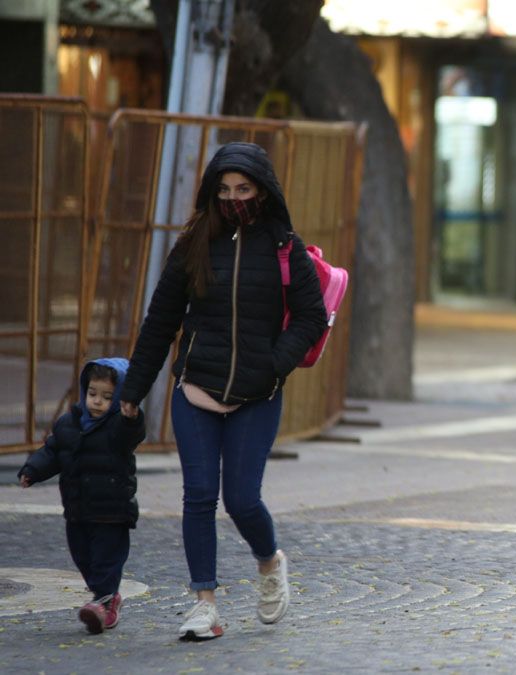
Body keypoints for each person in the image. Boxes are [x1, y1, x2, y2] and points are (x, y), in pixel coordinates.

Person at [120, 142, 327, 640]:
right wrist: (134, 389)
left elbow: (311, 316)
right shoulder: (193, 243)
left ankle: (269, 561)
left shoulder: (284, 245)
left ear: (262, 191)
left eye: (244, 189)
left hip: (257, 395)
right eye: (225, 189)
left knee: (241, 500)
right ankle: (204, 604)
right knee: (198, 496)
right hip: (195, 389)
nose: (234, 198)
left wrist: (271, 367)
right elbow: (160, 321)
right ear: (213, 192)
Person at [19, 358, 145, 634]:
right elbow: (52, 452)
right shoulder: (69, 423)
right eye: (93, 394)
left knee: (105, 559)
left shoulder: (119, 427)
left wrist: (131, 415)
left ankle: (105, 603)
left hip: (112, 512)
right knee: (83, 557)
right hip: (77, 509)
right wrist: (32, 470)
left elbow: (133, 434)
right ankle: (107, 597)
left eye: (107, 397)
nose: (97, 401)